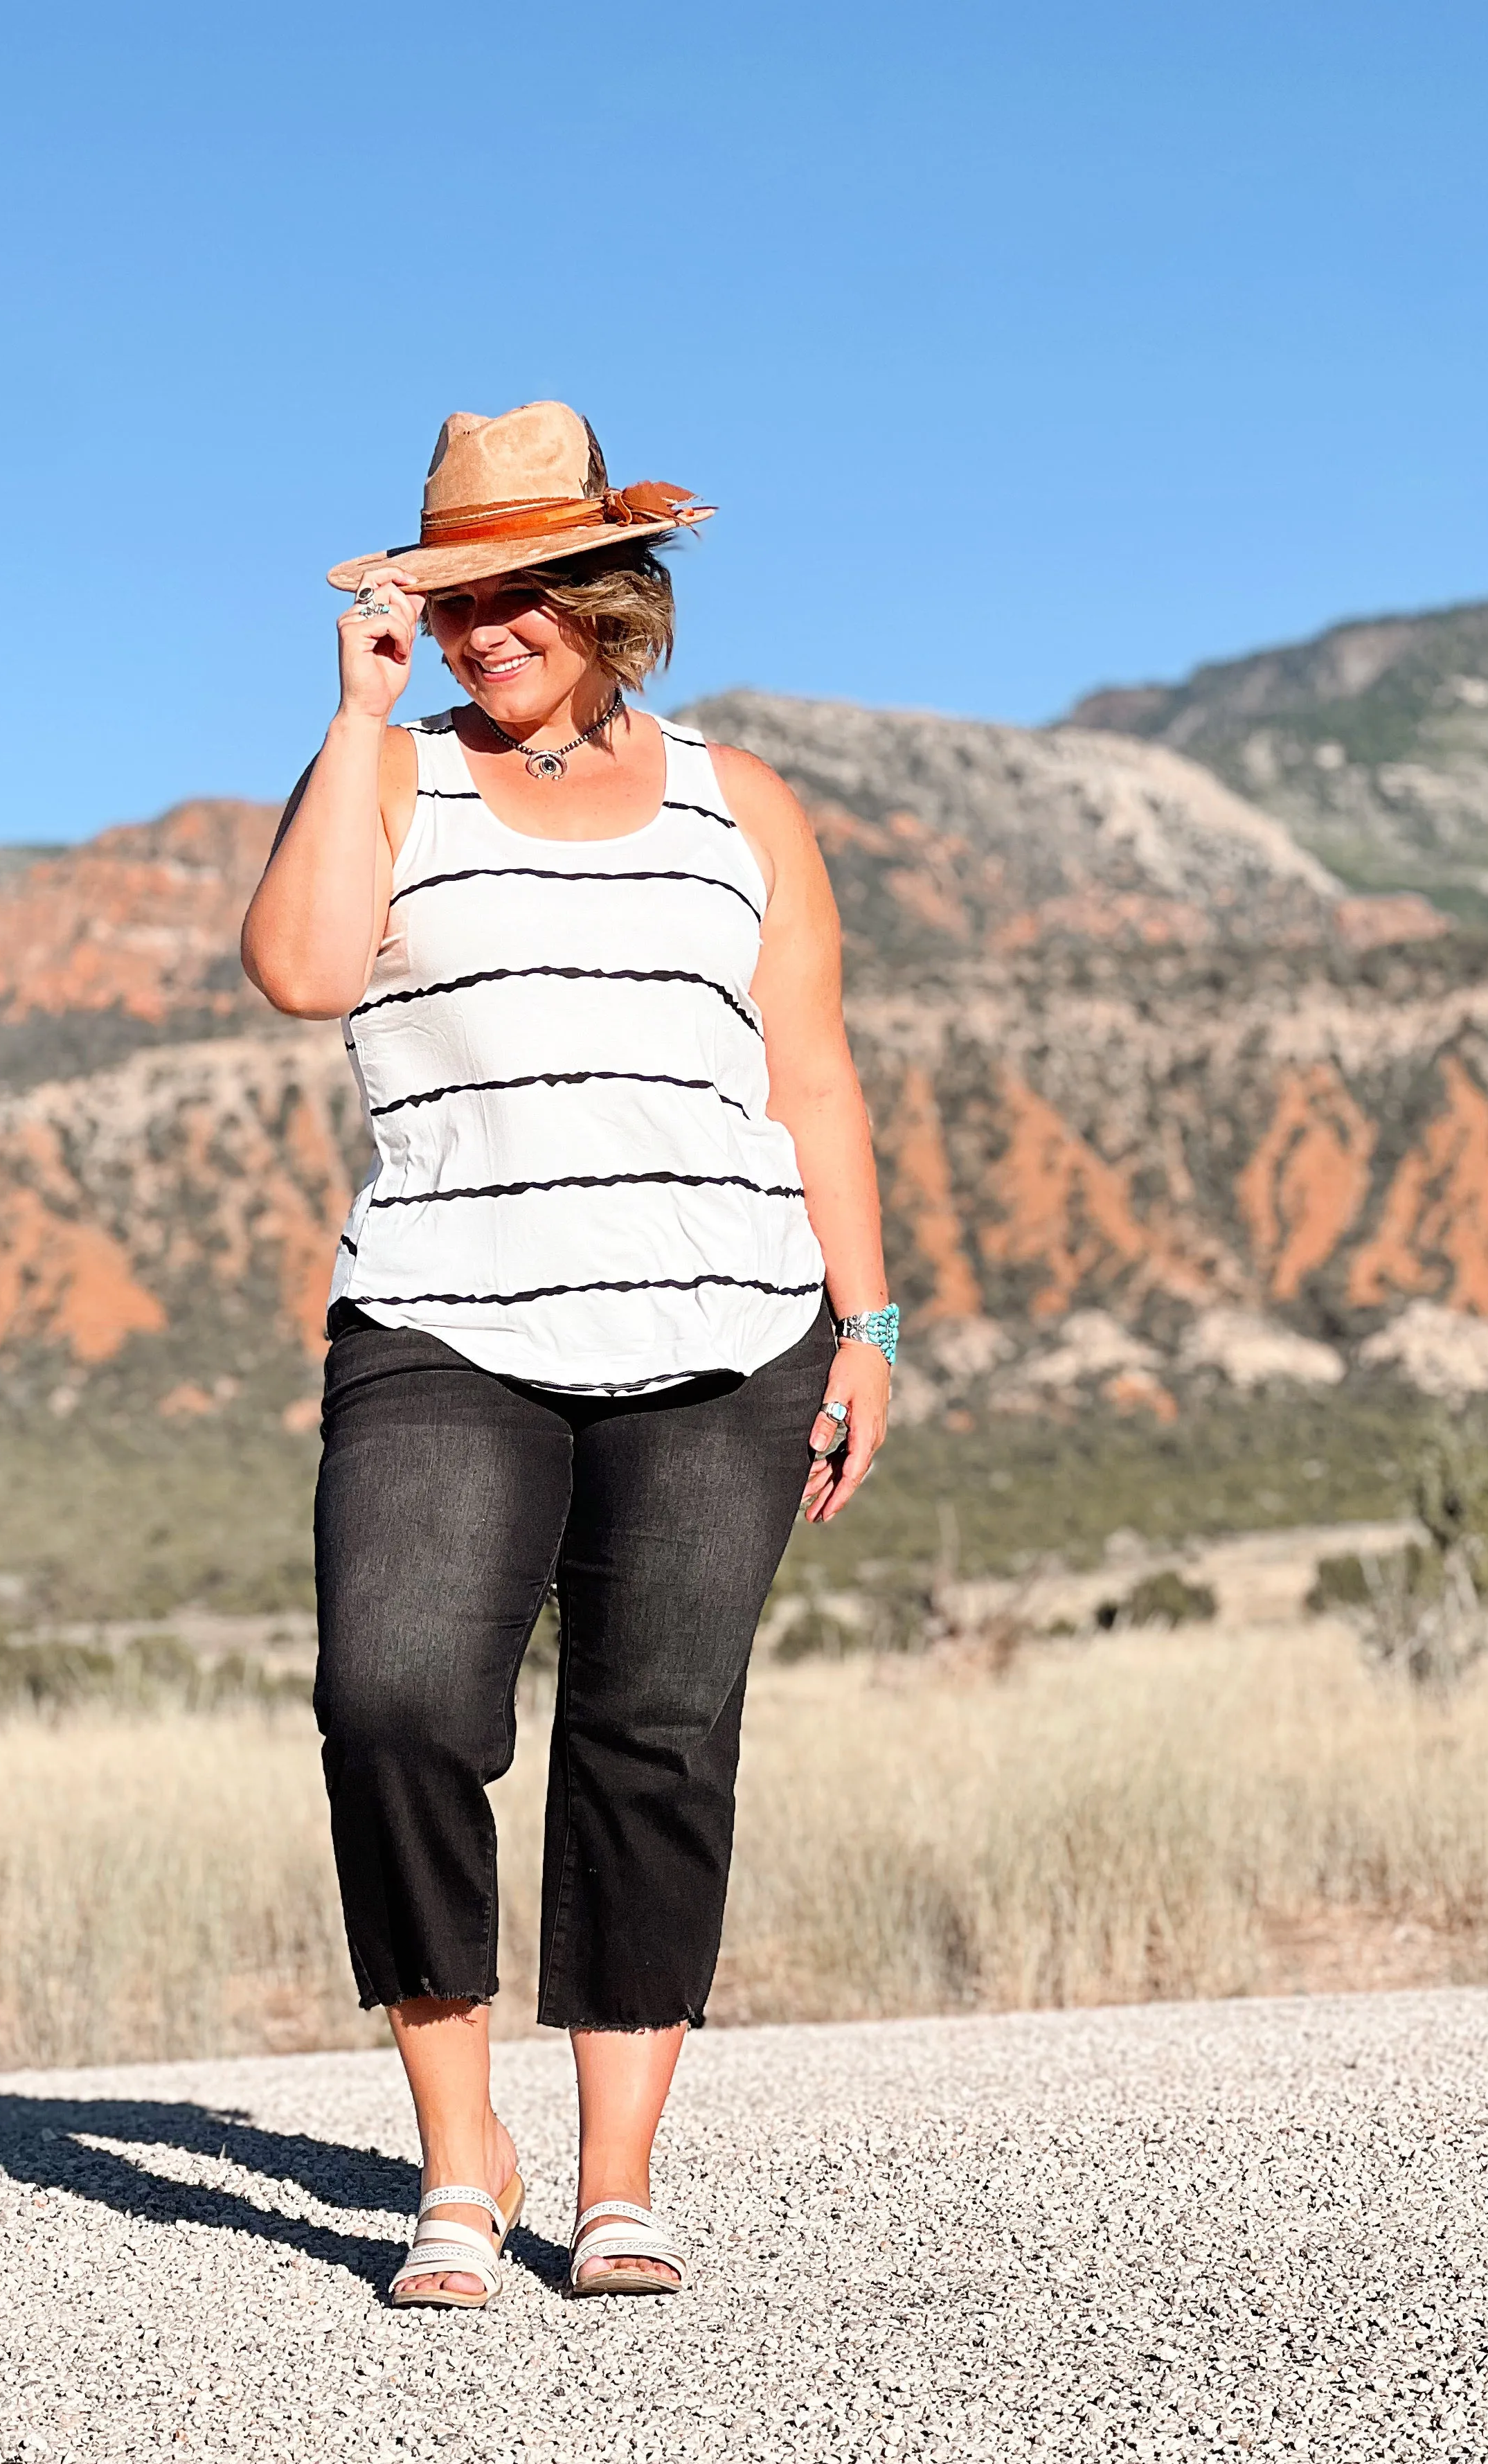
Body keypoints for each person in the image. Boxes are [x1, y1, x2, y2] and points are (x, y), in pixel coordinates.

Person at [242, 402, 895, 2307]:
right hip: (448, 1322)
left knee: (658, 1734)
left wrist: (866, 1324)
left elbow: (817, 1075)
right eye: (452, 600)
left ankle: (617, 2182)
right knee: (397, 1705)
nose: (482, 629)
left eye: (517, 593)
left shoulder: (740, 802)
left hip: (731, 1329)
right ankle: (462, 2156)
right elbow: (297, 974)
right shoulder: (393, 773)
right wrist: (360, 716)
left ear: (612, 598)